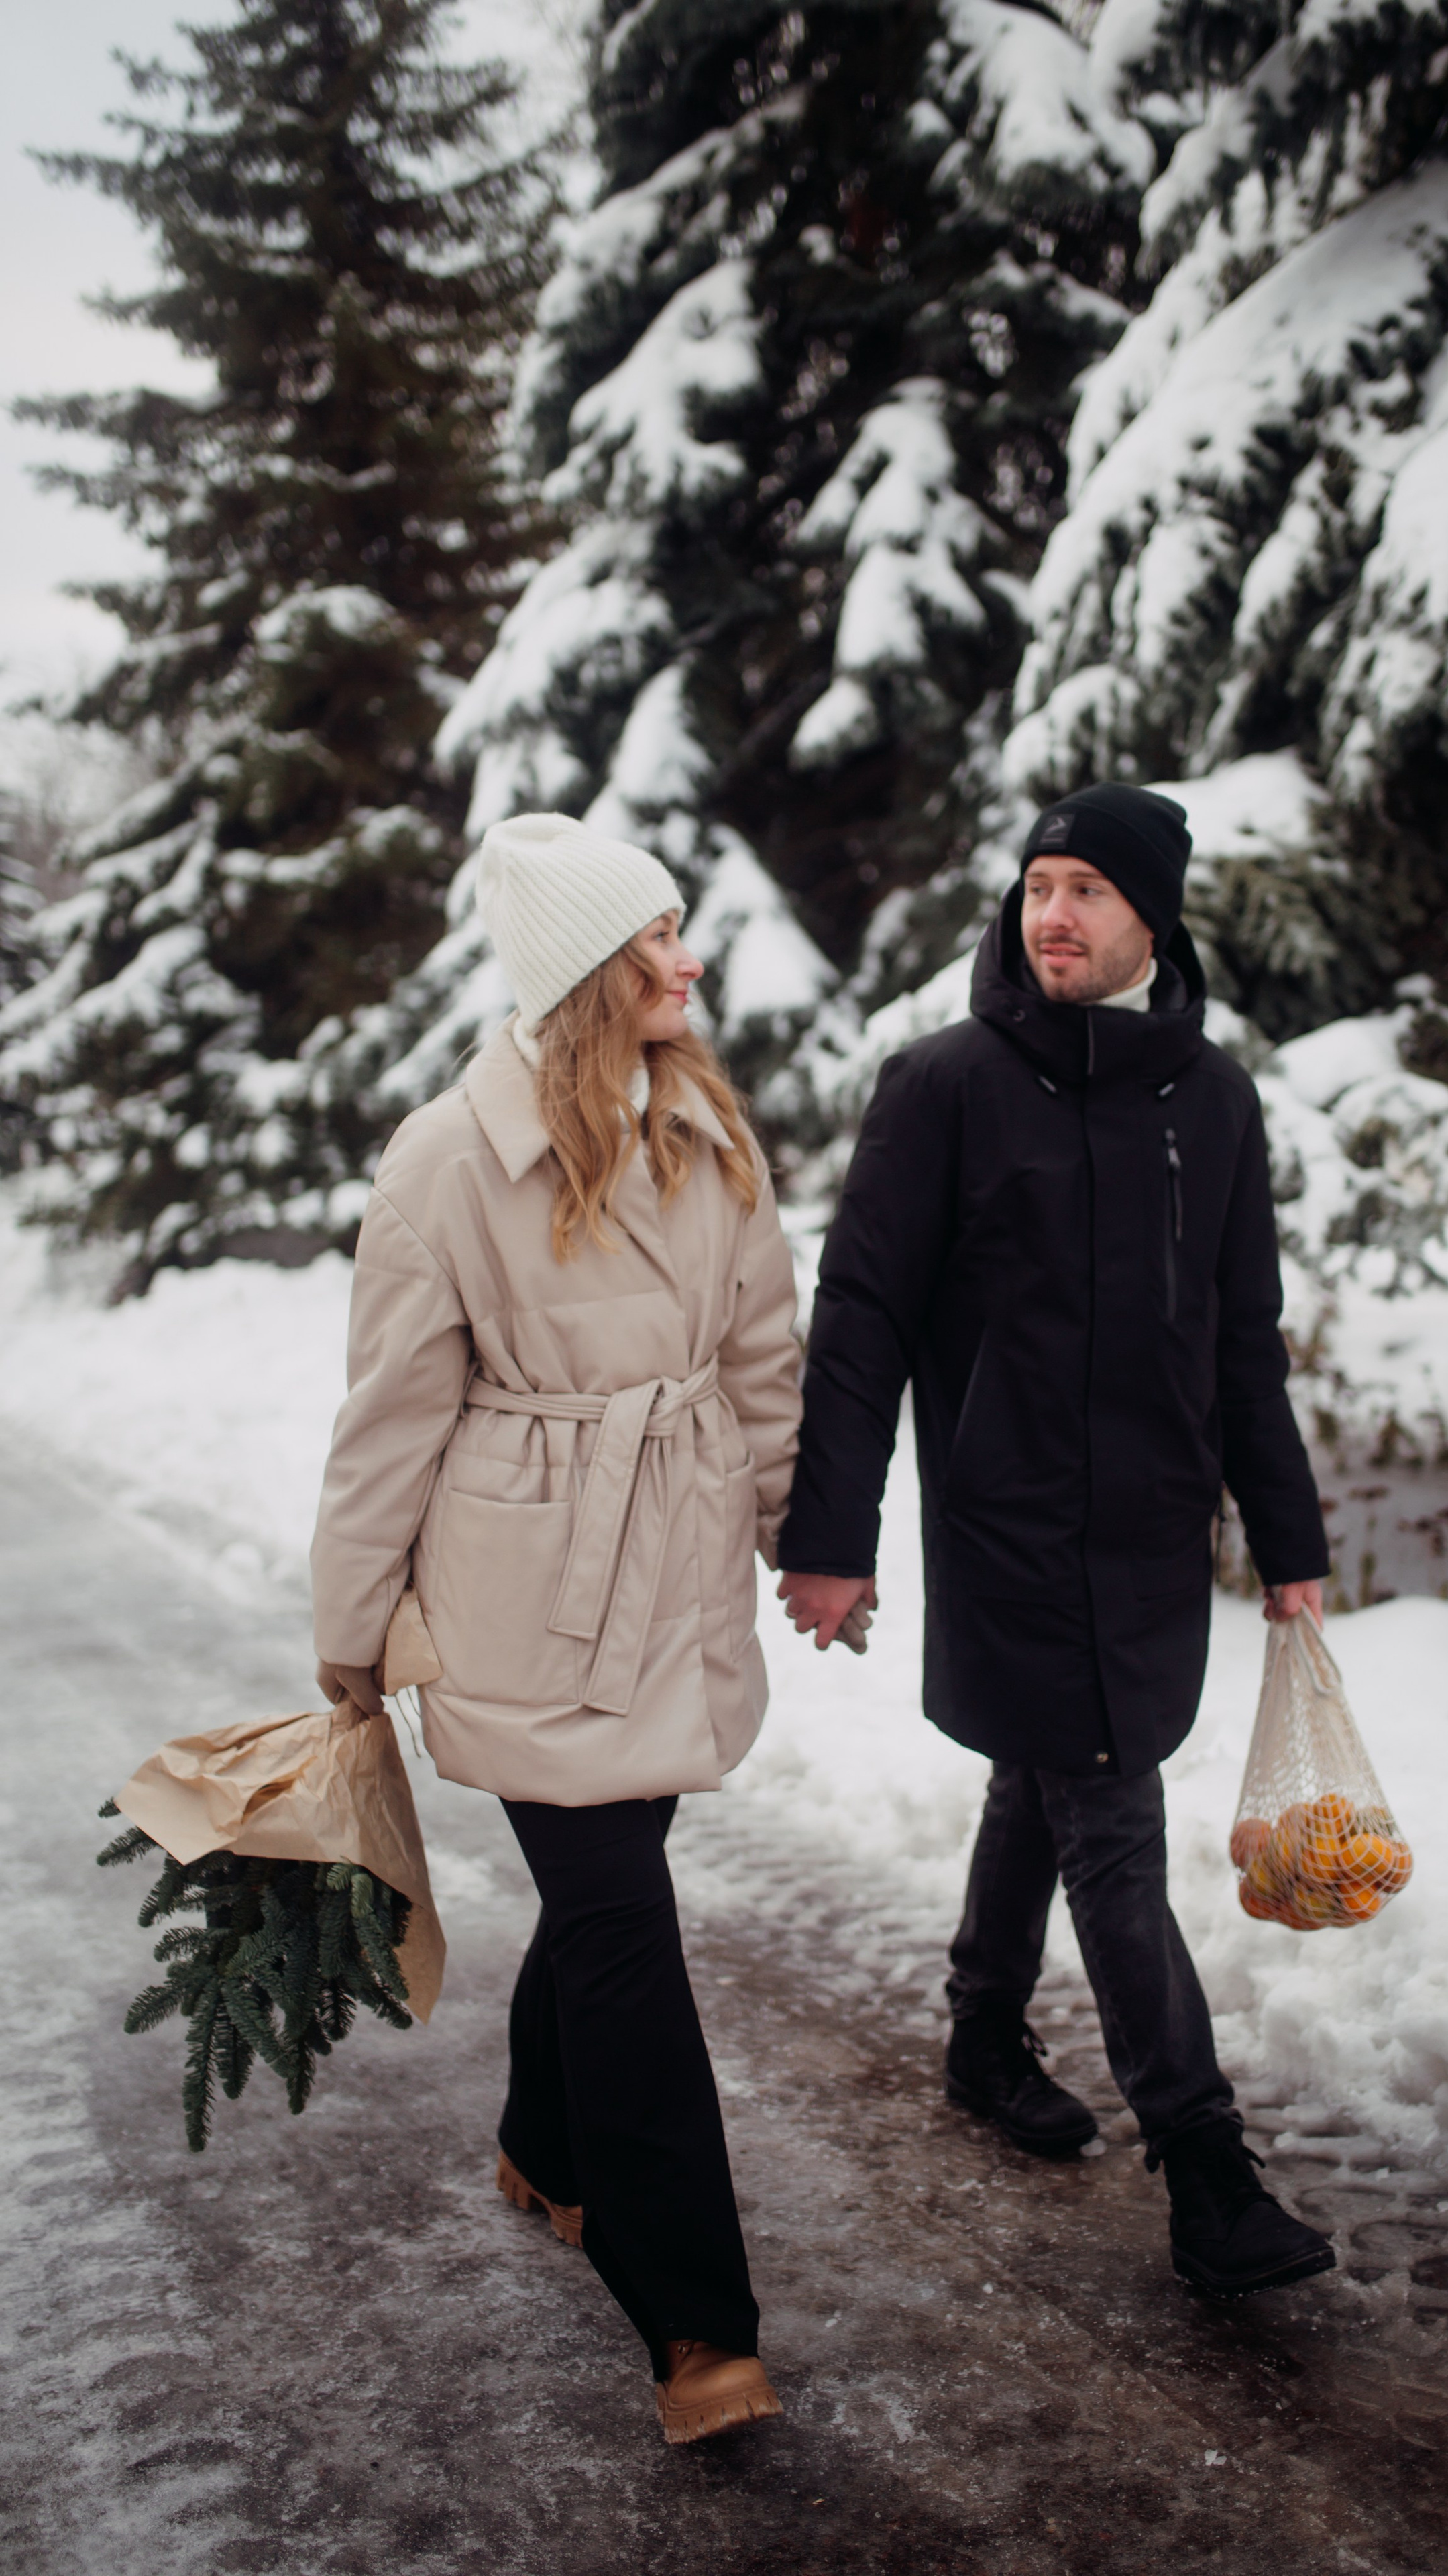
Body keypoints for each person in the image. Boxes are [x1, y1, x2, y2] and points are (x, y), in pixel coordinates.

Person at [775, 784, 1337, 2298]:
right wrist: (830, 1537)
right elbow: (861, 1323)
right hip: (1007, 1525)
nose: (1053, 915)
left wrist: (1285, 1537)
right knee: (1104, 1804)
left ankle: (976, 2029)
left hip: (1150, 1535)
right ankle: (1204, 2165)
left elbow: (1240, 1343)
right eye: (1036, 885)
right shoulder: (943, 1085)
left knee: (1051, 1765)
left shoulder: (1209, 1102)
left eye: (1087, 888)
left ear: (1152, 917)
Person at [309, 811, 803, 2441]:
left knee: (609, 1886)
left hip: (673, 1573)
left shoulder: (710, 1136)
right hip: (525, 1579)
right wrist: (352, 1623)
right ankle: (692, 2319)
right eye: (663, 935)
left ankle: (544, 2138)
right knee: (616, 1916)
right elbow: (392, 1412)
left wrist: (802, 1533)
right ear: (593, 969)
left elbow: (758, 1361)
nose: (693, 959)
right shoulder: (445, 1159)